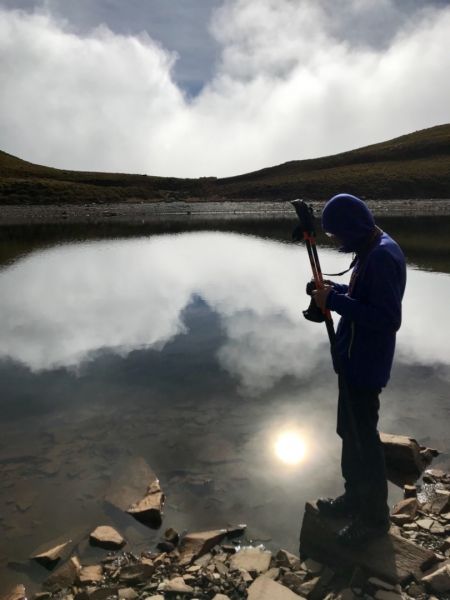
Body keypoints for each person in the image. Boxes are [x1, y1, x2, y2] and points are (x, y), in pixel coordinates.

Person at [310, 193, 406, 547]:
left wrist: (332, 302)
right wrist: (332, 291)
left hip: (365, 365)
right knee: (349, 432)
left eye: (337, 234)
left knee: (364, 441)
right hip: (353, 360)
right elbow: (364, 298)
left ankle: (374, 519)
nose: (336, 242)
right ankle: (354, 498)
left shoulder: (381, 256)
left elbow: (387, 318)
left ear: (352, 227)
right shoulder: (371, 248)